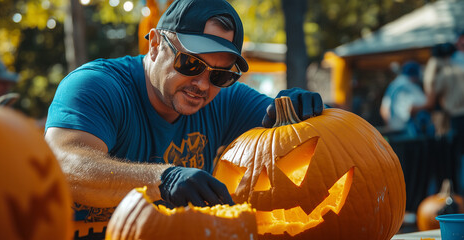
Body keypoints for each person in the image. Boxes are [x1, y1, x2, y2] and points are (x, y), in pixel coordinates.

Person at [44, 0, 324, 222]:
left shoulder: (223, 100)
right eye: (190, 63)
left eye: (220, 76)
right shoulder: (97, 86)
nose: (202, 84)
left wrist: (302, 110)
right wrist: (162, 179)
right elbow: (62, 167)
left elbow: (304, 134)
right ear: (154, 44)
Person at [413, 42, 464, 136]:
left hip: (453, 119)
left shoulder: (441, 72)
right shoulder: (459, 67)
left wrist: (412, 108)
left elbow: (430, 101)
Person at [380, 61, 429, 136]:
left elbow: (384, 110)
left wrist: (390, 125)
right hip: (407, 131)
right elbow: (413, 108)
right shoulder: (409, 85)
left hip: (394, 130)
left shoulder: (393, 85)